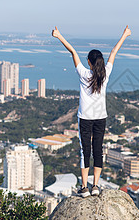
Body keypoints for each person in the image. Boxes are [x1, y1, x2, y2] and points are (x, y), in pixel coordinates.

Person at [52, 25, 131, 197]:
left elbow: (73, 52)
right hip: (100, 118)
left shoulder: (83, 74)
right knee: (98, 150)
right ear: (101, 62)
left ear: (89, 62)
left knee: (84, 151)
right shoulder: (106, 74)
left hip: (85, 118)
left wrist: (59, 35)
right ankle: (95, 186)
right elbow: (113, 52)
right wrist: (125, 34)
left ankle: (84, 187)